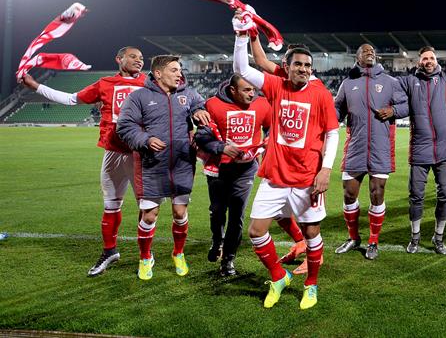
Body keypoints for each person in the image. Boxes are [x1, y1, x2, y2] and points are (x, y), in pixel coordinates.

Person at [232, 15, 339, 309]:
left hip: (307, 179)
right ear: (287, 68)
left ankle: (312, 284)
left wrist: (326, 170)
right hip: (275, 176)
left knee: (312, 234)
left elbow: (332, 133)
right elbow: (242, 68)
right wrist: (242, 33)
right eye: (298, 65)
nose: (303, 69)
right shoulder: (276, 86)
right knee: (255, 231)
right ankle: (279, 277)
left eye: (307, 66)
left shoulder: (321, 94)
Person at [20, 46, 146, 277]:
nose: (139, 60)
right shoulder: (105, 83)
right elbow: (70, 99)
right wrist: (35, 86)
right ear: (119, 59)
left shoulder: (150, 83)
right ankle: (110, 252)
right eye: (133, 57)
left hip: (141, 154)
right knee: (110, 205)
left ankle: (145, 257)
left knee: (146, 208)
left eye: (141, 58)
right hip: (113, 153)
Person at [116, 55, 210, 281]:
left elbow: (202, 106)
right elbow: (125, 126)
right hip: (152, 165)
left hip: (182, 163)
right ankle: (146, 257)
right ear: (158, 73)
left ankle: (178, 253)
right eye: (174, 70)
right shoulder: (139, 96)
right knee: (149, 216)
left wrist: (198, 111)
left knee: (180, 213)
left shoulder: (188, 94)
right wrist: (145, 140)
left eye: (180, 70)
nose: (180, 74)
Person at [397, 4, 446, 255]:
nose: (428, 61)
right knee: (415, 196)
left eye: (431, 58)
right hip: (420, 148)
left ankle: (438, 238)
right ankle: (415, 237)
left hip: (445, 148)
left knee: (444, 196)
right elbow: (396, 101)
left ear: (435, 60)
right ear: (419, 62)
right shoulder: (410, 82)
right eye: (424, 58)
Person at [333, 44, 408, 260]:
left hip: (380, 147)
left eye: (373, 51)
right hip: (355, 146)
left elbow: (406, 105)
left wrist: (393, 111)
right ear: (356, 57)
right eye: (365, 51)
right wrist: (331, 115)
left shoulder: (389, 82)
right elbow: (338, 108)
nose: (370, 53)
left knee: (377, 193)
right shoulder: (348, 83)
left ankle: (373, 241)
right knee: (349, 194)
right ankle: (353, 237)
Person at [195, 74, 271, 276]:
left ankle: (228, 259)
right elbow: (201, 136)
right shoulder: (212, 105)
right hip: (218, 169)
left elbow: (271, 126)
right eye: (246, 90)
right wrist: (221, 147)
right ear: (232, 90)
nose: (252, 94)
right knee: (217, 211)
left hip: (246, 169)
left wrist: (268, 139)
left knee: (237, 215)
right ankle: (217, 240)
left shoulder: (262, 104)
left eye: (253, 89)